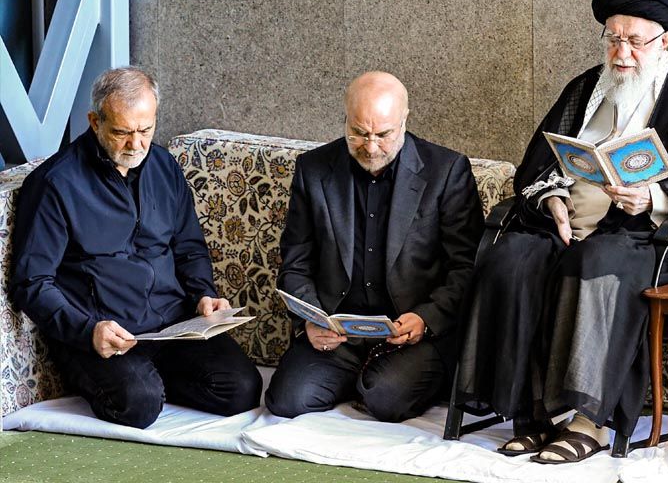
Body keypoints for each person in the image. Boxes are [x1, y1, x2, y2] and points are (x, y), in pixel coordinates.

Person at [455, 0, 668, 463]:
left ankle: (588, 421)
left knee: (596, 264)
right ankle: (533, 415)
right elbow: (537, 163)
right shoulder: (585, 88)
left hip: (647, 238)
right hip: (566, 226)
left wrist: (653, 197)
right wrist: (551, 198)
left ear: (664, 40)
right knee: (513, 258)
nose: (622, 53)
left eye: (635, 41)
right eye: (613, 39)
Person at [11, 66, 262, 429]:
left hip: (171, 325)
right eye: (122, 132)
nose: (136, 145)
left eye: (146, 130)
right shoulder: (54, 184)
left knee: (242, 390)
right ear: (95, 122)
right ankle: (137, 384)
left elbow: (188, 246)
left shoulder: (164, 166)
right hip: (100, 333)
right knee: (139, 406)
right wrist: (87, 331)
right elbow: (31, 283)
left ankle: (150, 380)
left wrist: (203, 294)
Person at [265, 71, 484, 422]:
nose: (370, 147)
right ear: (345, 120)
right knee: (287, 400)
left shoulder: (446, 171)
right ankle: (358, 380)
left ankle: (372, 384)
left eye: (383, 135)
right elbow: (295, 262)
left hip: (410, 335)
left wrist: (427, 318)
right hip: (338, 337)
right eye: (358, 133)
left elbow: (467, 266)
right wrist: (309, 320)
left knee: (386, 399)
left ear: (404, 121)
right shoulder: (313, 169)